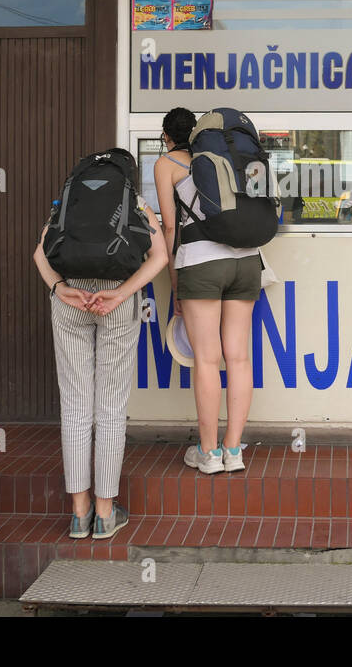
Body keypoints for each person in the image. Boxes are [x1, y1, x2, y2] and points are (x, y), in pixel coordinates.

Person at [33, 149, 168, 540]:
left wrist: (61, 289)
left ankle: (79, 514)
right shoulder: (134, 201)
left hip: (70, 299)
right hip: (116, 301)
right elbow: (159, 257)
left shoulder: (68, 198)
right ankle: (106, 514)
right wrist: (122, 293)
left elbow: (40, 253)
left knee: (75, 405)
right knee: (110, 408)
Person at [153, 108, 261, 475]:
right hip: (248, 261)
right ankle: (235, 451)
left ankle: (209, 453)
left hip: (200, 261)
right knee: (239, 358)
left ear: (167, 136)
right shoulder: (224, 156)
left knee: (207, 360)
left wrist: (174, 280)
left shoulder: (167, 163)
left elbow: (170, 227)